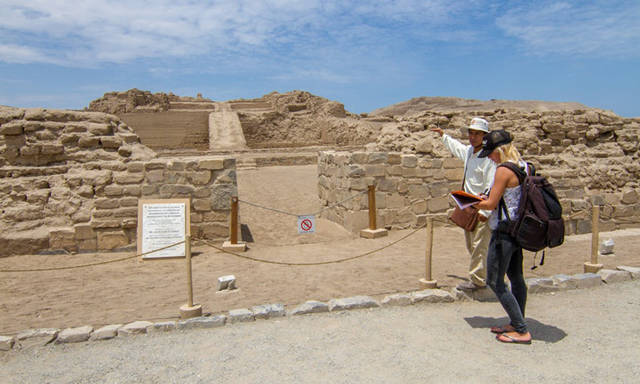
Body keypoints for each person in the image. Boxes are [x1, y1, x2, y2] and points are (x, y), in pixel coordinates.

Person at [474, 130, 532, 344]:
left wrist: (469, 202)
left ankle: (521, 330)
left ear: (500, 150)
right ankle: (516, 321)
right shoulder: (525, 166)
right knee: (516, 277)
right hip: (519, 230)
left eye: (491, 153)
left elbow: (490, 205)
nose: (489, 157)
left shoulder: (503, 170)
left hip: (504, 231)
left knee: (495, 280)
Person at [432, 118, 496, 291]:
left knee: (479, 246)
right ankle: (485, 276)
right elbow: (456, 147)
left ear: (485, 136)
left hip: (482, 208)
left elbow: (491, 186)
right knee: (471, 244)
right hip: (468, 205)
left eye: (477, 133)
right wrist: (443, 135)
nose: (473, 137)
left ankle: (478, 282)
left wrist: (487, 212)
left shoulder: (489, 159)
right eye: (471, 133)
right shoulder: (470, 152)